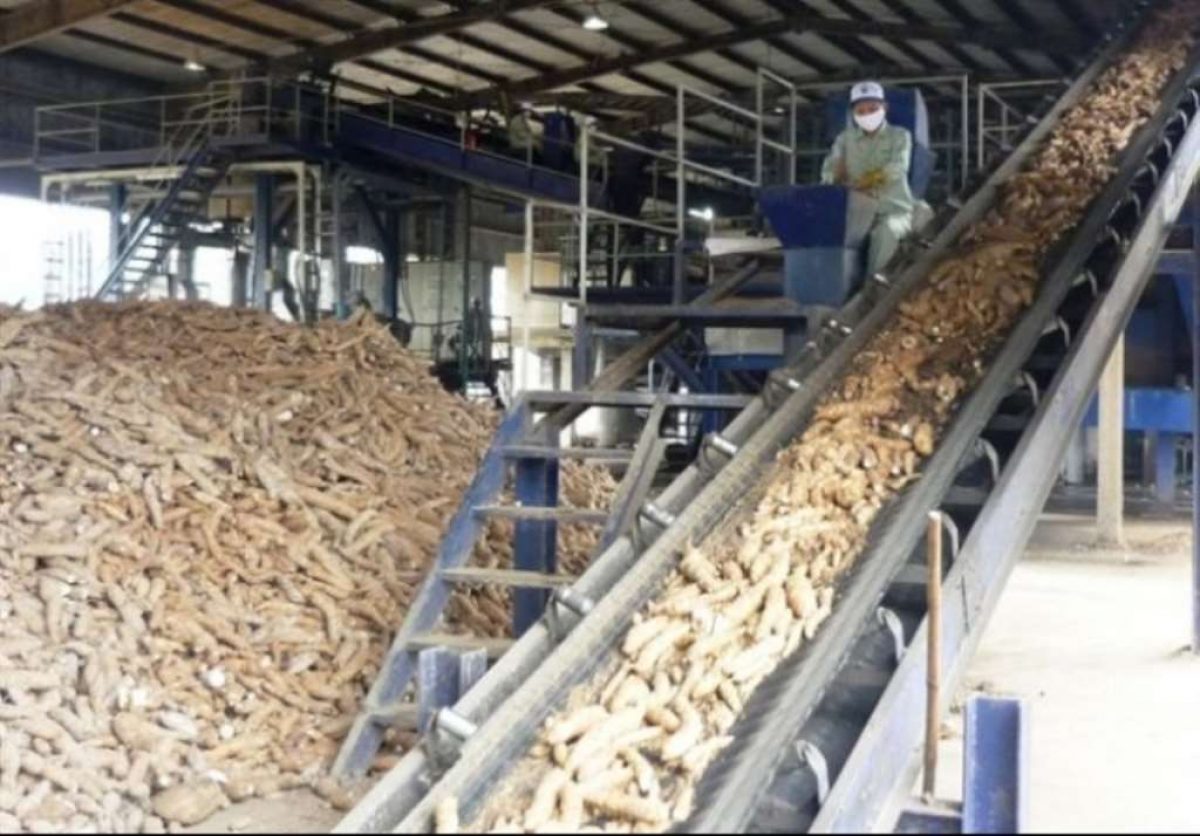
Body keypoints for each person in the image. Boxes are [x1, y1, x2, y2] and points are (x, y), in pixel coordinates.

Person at [821, 81, 916, 276]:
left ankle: (874, 287)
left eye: (873, 109)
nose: (867, 115)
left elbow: (898, 167)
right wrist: (835, 178)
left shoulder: (900, 136)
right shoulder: (844, 140)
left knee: (887, 232)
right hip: (854, 214)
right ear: (853, 113)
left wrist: (868, 181)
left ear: (884, 108)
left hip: (891, 210)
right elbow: (828, 173)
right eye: (861, 111)